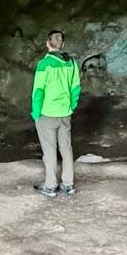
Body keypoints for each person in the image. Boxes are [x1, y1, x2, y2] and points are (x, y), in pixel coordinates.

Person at [30, 30, 81, 197]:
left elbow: (38, 91)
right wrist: (71, 106)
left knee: (50, 150)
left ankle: (50, 186)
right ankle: (68, 184)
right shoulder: (71, 63)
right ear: (62, 44)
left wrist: (36, 113)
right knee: (66, 148)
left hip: (47, 113)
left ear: (47, 43)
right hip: (65, 113)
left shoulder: (44, 64)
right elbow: (76, 87)